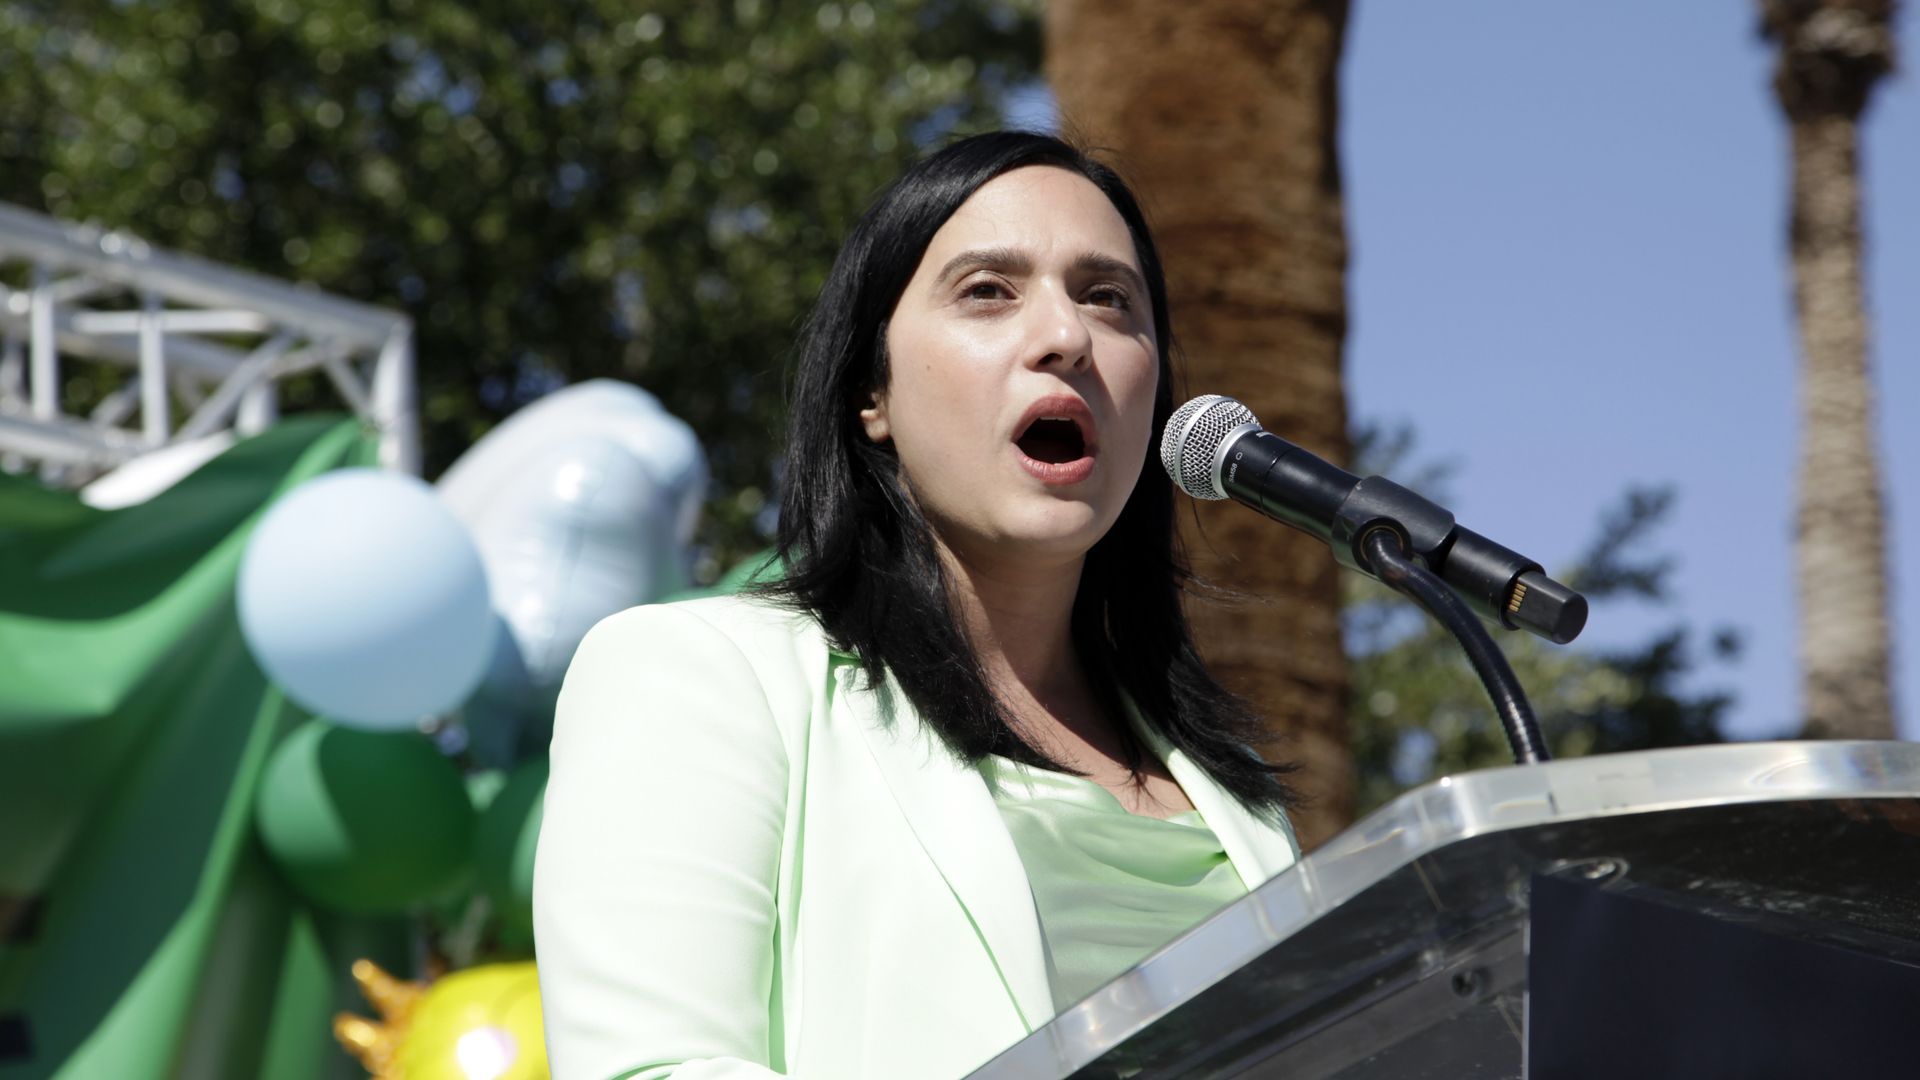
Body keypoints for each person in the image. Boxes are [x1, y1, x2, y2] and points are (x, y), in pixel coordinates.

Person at [532, 131, 1302, 1080]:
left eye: (1109, 298)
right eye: (989, 291)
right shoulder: (699, 675)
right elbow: (650, 1070)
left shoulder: (1243, 802)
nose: (1067, 336)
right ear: (871, 392)